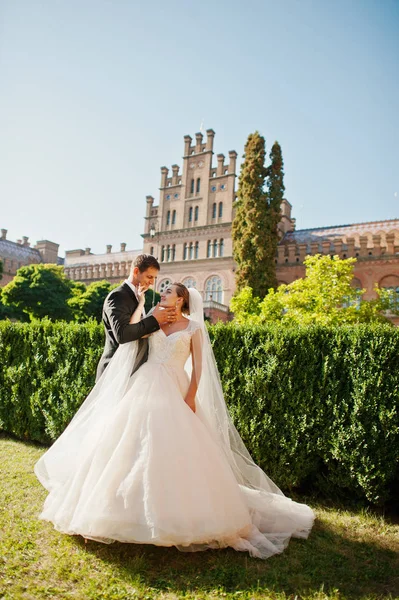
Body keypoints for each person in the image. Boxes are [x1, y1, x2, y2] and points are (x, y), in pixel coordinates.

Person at [34, 283, 314, 559]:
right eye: (164, 290)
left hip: (175, 387)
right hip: (145, 385)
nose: (164, 293)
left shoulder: (193, 327)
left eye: (169, 291)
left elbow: (199, 369)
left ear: (181, 300)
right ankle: (115, 509)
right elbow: (132, 339)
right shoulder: (155, 316)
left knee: (175, 448)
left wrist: (191, 397)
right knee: (130, 444)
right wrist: (144, 311)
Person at [96, 254, 176, 381]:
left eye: (154, 278)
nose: (152, 282)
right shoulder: (118, 296)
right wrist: (154, 320)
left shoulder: (139, 296)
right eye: (149, 276)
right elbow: (123, 334)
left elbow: (139, 331)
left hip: (133, 372)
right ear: (136, 271)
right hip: (114, 373)